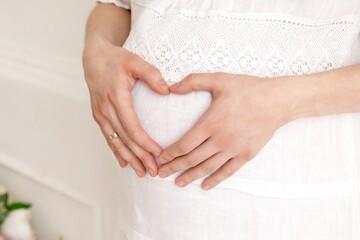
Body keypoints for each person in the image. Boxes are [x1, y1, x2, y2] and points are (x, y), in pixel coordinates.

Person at [82, 0, 360, 239]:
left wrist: (281, 101)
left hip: (290, 208)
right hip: (149, 207)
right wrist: (97, 49)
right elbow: (117, 6)